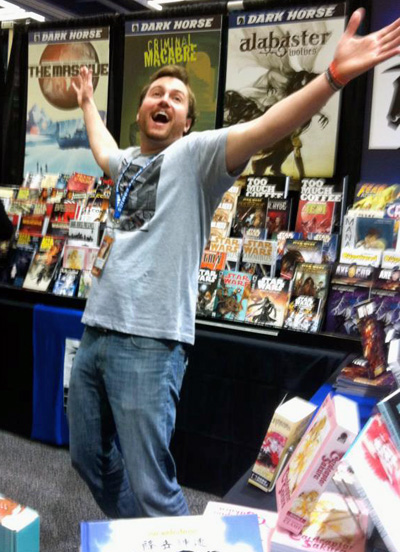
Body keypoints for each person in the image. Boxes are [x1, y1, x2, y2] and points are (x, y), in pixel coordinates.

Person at [68, 9, 400, 519]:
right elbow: (102, 146)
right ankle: (141, 548)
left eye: (176, 99)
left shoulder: (198, 157)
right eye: (155, 95)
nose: (164, 101)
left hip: (149, 341)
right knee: (88, 459)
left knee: (153, 485)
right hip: (96, 331)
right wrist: (89, 102)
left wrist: (332, 77)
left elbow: (269, 125)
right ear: (140, 112)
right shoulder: (129, 164)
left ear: (186, 121)